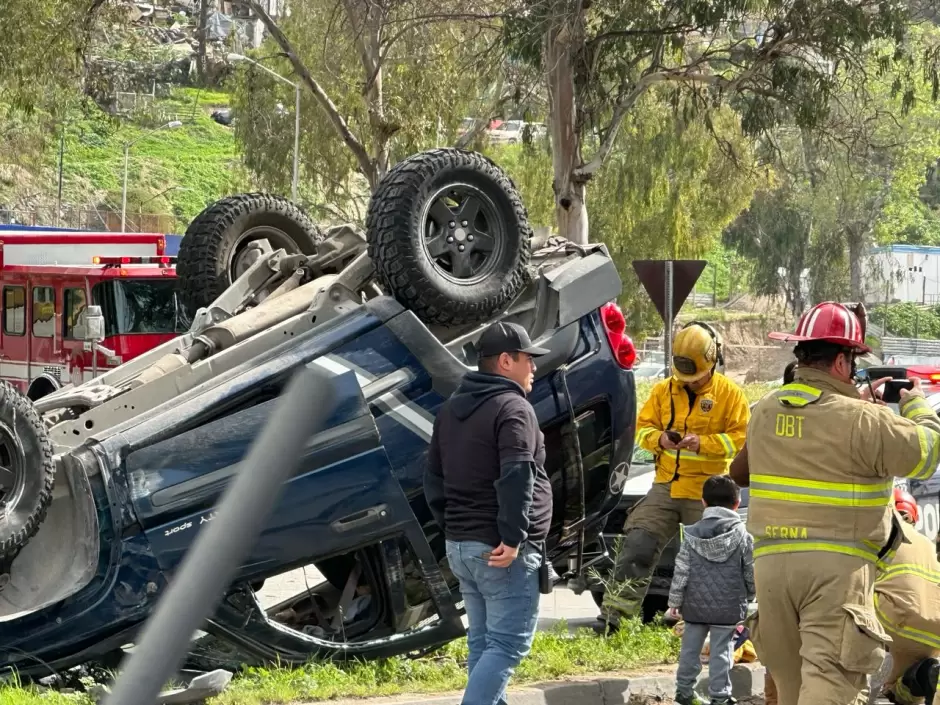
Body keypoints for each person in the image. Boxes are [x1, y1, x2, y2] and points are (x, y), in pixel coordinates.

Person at [744, 301, 940, 705]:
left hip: (771, 570)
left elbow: (739, 472)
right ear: (839, 363)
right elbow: (928, 453)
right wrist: (915, 405)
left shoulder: (762, 412)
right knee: (830, 688)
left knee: (792, 690)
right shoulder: (864, 421)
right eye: (852, 361)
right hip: (834, 572)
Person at [423, 320, 553, 705]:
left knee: (484, 644)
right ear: (506, 361)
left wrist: (455, 529)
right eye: (529, 359)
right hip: (501, 551)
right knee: (508, 646)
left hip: (464, 546)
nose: (534, 368)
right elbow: (516, 473)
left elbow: (432, 477)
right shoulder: (513, 407)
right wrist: (512, 536)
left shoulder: (450, 410)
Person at [594, 321, 750, 633]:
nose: (690, 382)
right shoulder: (662, 391)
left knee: (709, 561)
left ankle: (703, 627)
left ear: (712, 362)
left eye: (697, 375)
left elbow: (741, 438)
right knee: (638, 543)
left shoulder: (730, 395)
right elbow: (642, 430)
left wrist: (702, 442)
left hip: (707, 492)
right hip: (666, 485)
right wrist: (660, 440)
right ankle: (615, 619)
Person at [666, 475, 756, 705]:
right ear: (736, 504)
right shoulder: (744, 536)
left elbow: (682, 570)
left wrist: (675, 602)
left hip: (695, 604)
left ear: (703, 502)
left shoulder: (691, 534)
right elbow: (750, 571)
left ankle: (684, 691)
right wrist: (750, 595)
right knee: (722, 652)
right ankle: (720, 696)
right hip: (728, 605)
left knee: (690, 649)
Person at [872, 489, 940, 705]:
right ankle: (924, 675)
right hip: (934, 634)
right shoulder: (928, 544)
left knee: (852, 594)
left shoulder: (880, 536)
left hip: (896, 626)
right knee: (903, 687)